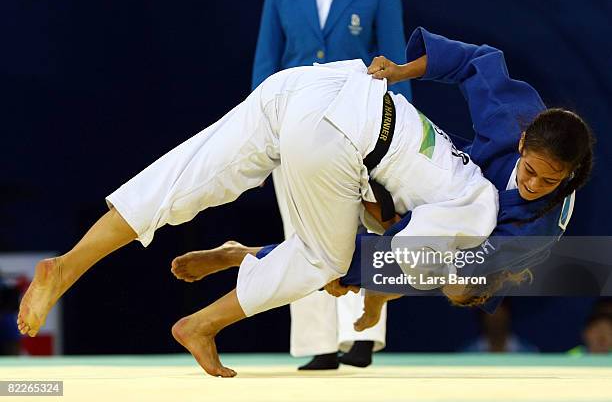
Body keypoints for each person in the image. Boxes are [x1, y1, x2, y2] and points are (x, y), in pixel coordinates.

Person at [17, 57, 499, 377]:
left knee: (178, 179)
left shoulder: (449, 178)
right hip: (341, 127)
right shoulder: (476, 215)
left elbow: (382, 222)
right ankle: (202, 323)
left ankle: (66, 267)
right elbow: (395, 259)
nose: (441, 286)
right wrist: (372, 303)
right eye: (451, 286)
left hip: (308, 85)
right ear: (469, 262)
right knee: (324, 259)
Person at [194, 27, 595, 331]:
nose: (534, 185)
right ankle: (350, 282)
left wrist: (382, 245)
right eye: (530, 171)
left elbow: (448, 276)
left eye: (550, 181)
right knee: (352, 255)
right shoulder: (517, 116)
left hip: (479, 236)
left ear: (571, 174)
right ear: (523, 142)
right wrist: (403, 71)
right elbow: (476, 61)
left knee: (372, 263)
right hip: (454, 172)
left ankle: (246, 254)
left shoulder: (529, 230)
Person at [252, 0, 412, 369]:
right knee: (300, 233)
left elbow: (396, 63)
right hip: (291, 122)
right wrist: (260, 135)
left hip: (361, 121)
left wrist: (400, 129)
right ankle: (318, 341)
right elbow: (266, 62)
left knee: (368, 223)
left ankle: (362, 336)